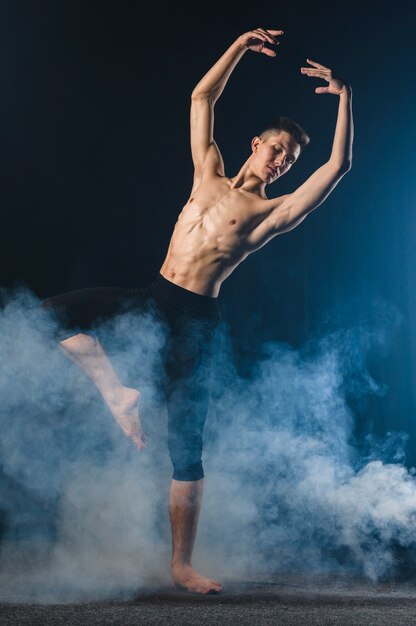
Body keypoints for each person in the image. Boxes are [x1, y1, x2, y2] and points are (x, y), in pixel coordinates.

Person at [41, 27, 353, 594]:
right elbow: (201, 99)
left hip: (195, 322)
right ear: (257, 143)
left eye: (290, 158)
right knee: (48, 315)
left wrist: (345, 97)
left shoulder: (272, 213)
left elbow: (337, 168)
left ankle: (181, 565)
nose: (282, 161)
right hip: (153, 296)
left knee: (186, 448)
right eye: (278, 148)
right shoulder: (206, 172)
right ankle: (116, 392)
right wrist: (238, 46)